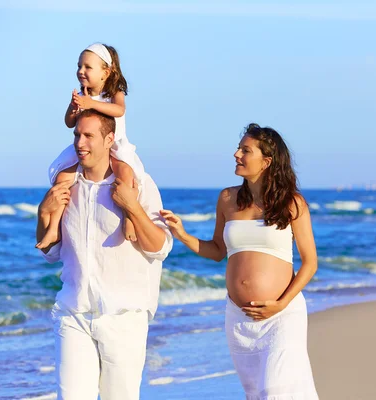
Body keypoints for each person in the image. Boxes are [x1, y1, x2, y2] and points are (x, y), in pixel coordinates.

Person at [160, 123, 319, 399]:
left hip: (282, 314)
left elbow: (310, 263)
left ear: (267, 161)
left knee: (277, 389)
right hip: (239, 318)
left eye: (245, 150)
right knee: (256, 392)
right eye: (239, 148)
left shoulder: (292, 203)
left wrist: (281, 304)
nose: (236, 154)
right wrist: (183, 234)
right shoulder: (227, 198)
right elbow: (218, 250)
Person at [37, 109, 173, 400]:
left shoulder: (138, 184)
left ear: (110, 139)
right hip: (73, 314)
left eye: (88, 136)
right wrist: (42, 213)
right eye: (76, 135)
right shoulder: (65, 186)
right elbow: (50, 253)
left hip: (123, 318)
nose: (79, 143)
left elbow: (161, 248)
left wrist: (132, 208)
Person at [36, 42, 143, 249]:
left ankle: (129, 217)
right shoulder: (81, 95)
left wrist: (91, 104)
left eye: (87, 67)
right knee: (62, 178)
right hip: (87, 148)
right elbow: (69, 122)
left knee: (126, 173)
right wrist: (75, 107)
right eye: (79, 66)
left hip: (115, 146)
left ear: (106, 72)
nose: (81, 71)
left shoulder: (114, 92)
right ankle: (53, 229)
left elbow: (119, 110)